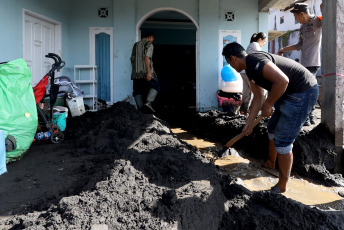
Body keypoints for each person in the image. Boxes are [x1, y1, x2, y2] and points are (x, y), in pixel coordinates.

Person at [222, 42, 318, 193]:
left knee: (283, 140)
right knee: (272, 129)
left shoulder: (254, 61)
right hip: (288, 92)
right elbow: (258, 97)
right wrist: (248, 123)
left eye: (229, 63)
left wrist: (269, 105)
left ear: (233, 58)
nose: (232, 67)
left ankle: (282, 187)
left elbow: (283, 81)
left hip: (303, 91)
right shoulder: (250, 70)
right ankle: (271, 163)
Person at [277, 3, 323, 126]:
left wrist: (324, 10)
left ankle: (308, 116)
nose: (296, 19)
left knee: (307, 89)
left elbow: (327, 21)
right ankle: (310, 116)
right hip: (304, 63)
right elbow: (299, 45)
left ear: (301, 14)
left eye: (296, 16)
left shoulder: (316, 21)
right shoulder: (302, 27)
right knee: (307, 88)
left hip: (313, 62)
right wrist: (283, 49)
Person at [130, 31, 160, 113]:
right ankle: (148, 102)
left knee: (137, 89)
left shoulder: (135, 45)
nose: (152, 40)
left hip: (136, 73)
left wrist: (135, 70)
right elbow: (147, 58)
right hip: (146, 71)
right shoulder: (149, 45)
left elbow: (132, 59)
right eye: (152, 39)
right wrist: (149, 72)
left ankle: (140, 108)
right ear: (150, 37)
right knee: (156, 86)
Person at [241, 32, 268, 115]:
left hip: (243, 72)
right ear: (260, 39)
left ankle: (244, 111)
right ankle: (256, 111)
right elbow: (260, 56)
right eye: (265, 41)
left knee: (247, 92)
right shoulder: (255, 44)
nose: (265, 43)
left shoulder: (251, 45)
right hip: (249, 72)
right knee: (260, 92)